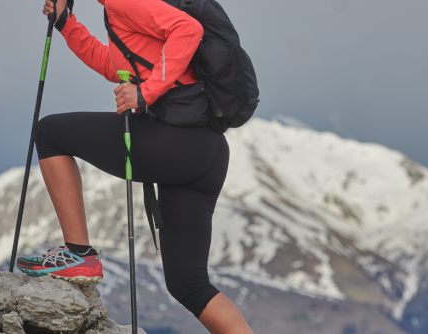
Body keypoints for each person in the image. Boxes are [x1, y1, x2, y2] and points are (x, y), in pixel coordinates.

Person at [15, 0, 255, 332]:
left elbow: (189, 30)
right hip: (206, 150)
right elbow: (113, 66)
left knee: (50, 133)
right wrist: (66, 24)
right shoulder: (116, 9)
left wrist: (145, 94)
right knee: (189, 284)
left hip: (175, 142)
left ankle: (78, 254)